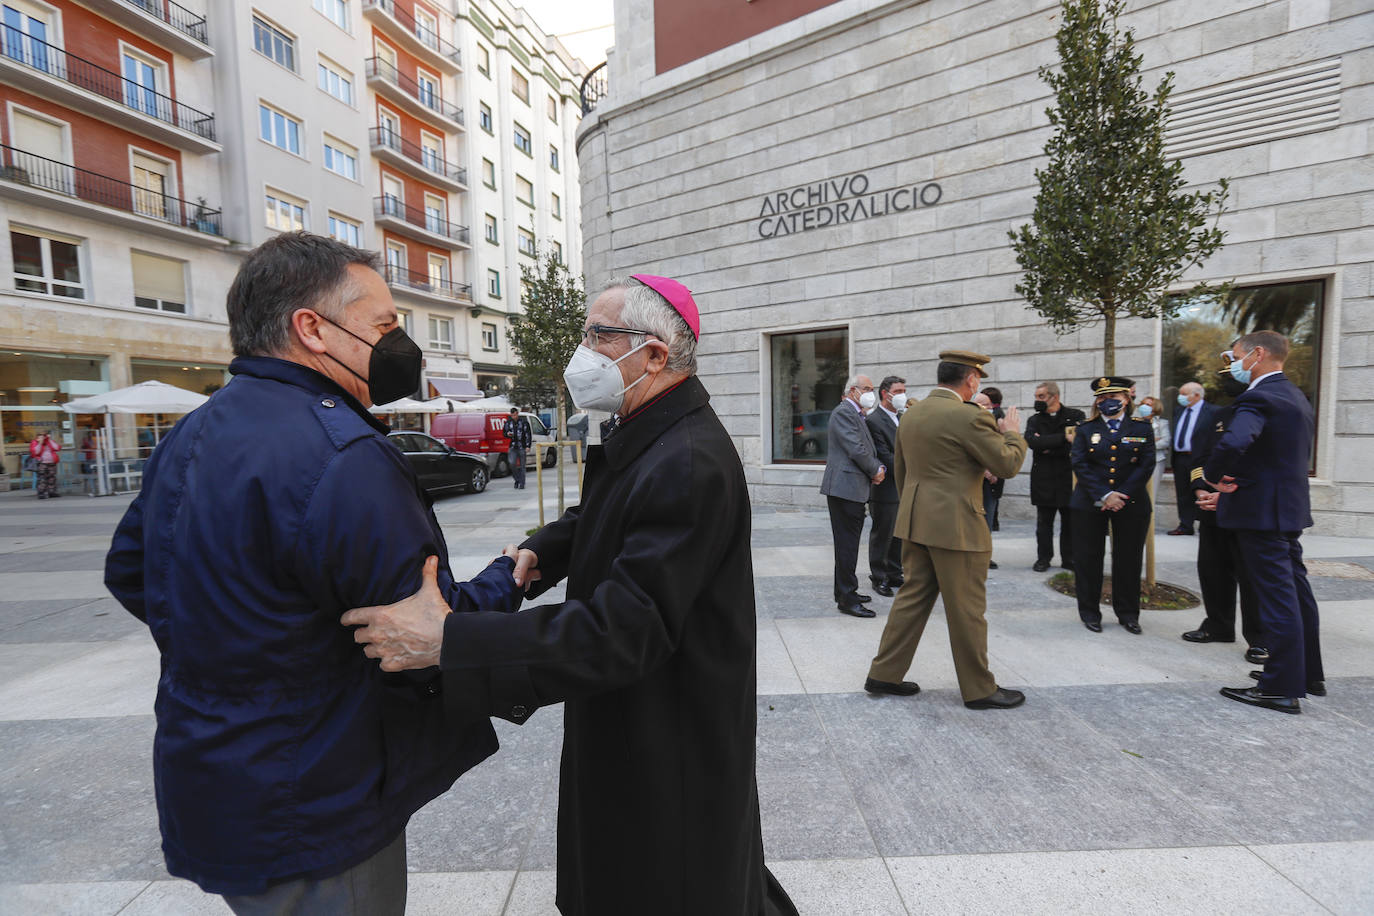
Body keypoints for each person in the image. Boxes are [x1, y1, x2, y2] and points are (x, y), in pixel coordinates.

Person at [343, 274, 798, 916]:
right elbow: (602, 513)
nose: (580, 351)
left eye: (597, 335)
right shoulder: (649, 427)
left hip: (669, 732)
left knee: (670, 881)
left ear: (655, 354)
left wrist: (452, 640)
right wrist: (543, 551)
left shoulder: (687, 459)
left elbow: (620, 630)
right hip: (635, 712)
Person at [103, 232, 522, 912]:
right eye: (384, 325)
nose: (399, 344)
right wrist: (512, 577)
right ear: (312, 329)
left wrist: (234, 640)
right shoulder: (344, 454)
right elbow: (421, 633)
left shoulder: (191, 432)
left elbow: (130, 572)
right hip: (317, 796)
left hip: (214, 780)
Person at [865, 350, 1028, 709]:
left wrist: (915, 510)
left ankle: (884, 673)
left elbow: (903, 470)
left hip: (916, 520)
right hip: (957, 526)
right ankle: (980, 690)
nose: (977, 384)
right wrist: (1013, 435)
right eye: (978, 379)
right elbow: (1006, 464)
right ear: (971, 379)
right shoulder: (969, 417)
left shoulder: (912, 412)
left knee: (911, 599)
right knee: (966, 609)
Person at [1205, 330, 1324, 714]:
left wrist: (1213, 475)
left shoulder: (1258, 396)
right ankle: (1304, 673)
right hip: (1285, 510)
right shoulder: (1294, 395)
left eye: (1235, 356)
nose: (1232, 365)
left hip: (1260, 513)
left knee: (1278, 600)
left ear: (1258, 354)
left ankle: (1280, 687)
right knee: (1296, 593)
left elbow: (1236, 442)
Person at [1182, 347, 1266, 660]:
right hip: (1212, 510)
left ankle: (1260, 638)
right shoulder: (1218, 416)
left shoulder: (1264, 409)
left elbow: (1261, 462)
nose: (1228, 380)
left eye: (1231, 373)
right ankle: (1218, 625)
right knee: (1212, 570)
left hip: (1244, 507)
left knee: (1251, 575)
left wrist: (1227, 493)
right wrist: (1201, 490)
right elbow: (1200, 457)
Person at [1069, 377, 1156, 634]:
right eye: (1102, 398)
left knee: (1128, 559)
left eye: (1113, 397)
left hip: (1132, 502)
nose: (1107, 402)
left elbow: (1146, 465)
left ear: (1127, 399)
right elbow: (1080, 464)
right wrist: (1106, 494)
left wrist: (1122, 494)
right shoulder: (1085, 429)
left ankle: (1128, 614)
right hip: (1090, 502)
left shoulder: (1142, 428)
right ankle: (1089, 612)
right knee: (1088, 558)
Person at [820, 374, 885, 617]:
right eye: (867, 388)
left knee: (848, 545)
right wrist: (876, 469)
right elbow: (855, 447)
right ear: (853, 391)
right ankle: (847, 598)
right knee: (847, 546)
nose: (871, 392)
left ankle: (845, 591)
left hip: (852, 488)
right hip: (844, 489)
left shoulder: (856, 413)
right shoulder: (844, 412)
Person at [1026, 381, 1085, 571]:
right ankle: (1043, 558)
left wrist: (1047, 445)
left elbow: (1076, 444)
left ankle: (1069, 558)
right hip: (1043, 478)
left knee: (1069, 522)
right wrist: (1061, 439)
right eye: (1036, 397)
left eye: (1041, 396)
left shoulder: (1075, 416)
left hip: (1067, 477)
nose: (1037, 400)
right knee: (1044, 523)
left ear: (1055, 397)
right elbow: (1032, 442)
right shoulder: (1034, 420)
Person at [866, 375, 906, 596]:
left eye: (903, 390)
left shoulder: (901, 417)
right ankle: (879, 576)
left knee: (899, 534)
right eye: (898, 391)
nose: (902, 395)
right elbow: (884, 455)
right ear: (885, 393)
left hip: (902, 487)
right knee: (883, 534)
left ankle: (894, 573)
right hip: (885, 488)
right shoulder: (874, 420)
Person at [1168, 381, 1216, 535]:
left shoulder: (1212, 411)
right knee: (1182, 492)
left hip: (1201, 459)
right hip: (1181, 458)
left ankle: (1206, 525)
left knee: (1203, 489)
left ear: (1196, 395)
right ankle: (1185, 525)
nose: (1180, 398)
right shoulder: (1178, 411)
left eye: (1183, 394)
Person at [973, 392, 1004, 569]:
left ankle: (986, 554)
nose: (988, 409)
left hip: (993, 481)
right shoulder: (969, 424)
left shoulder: (998, 423)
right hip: (975, 480)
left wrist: (996, 470)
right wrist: (984, 470)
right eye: (983, 405)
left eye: (990, 406)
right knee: (975, 520)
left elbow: (1003, 449)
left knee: (988, 520)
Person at [1135, 396, 1170, 502]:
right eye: (1142, 404)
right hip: (1137, 461)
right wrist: (1152, 440)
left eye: (1148, 405)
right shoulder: (1135, 422)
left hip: (1156, 460)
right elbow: (1130, 441)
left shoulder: (1162, 423)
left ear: (1155, 408)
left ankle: (1151, 518)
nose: (1144, 407)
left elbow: (1165, 441)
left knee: (1151, 493)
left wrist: (1145, 443)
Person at [982, 386, 1005, 530]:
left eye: (986, 404)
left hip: (991, 475)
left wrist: (992, 470)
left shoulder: (997, 417)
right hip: (983, 473)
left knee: (988, 512)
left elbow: (999, 446)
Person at [502, 406, 533, 489]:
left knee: (522, 466)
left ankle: (522, 483)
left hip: (522, 446)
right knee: (512, 463)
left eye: (515, 415)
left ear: (517, 414)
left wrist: (528, 446)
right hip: (512, 446)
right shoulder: (508, 423)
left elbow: (528, 434)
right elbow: (504, 432)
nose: (514, 417)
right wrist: (507, 434)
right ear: (511, 415)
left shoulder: (523, 422)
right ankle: (517, 479)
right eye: (512, 415)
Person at [28, 429, 61, 498]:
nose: (43, 437)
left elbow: (57, 448)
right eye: (41, 435)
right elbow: (35, 452)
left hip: (52, 462)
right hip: (42, 463)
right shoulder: (34, 442)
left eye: (44, 435)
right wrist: (40, 442)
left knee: (52, 478)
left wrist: (49, 440)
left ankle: (52, 492)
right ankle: (41, 493)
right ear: (37, 436)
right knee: (42, 478)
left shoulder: (49, 441)